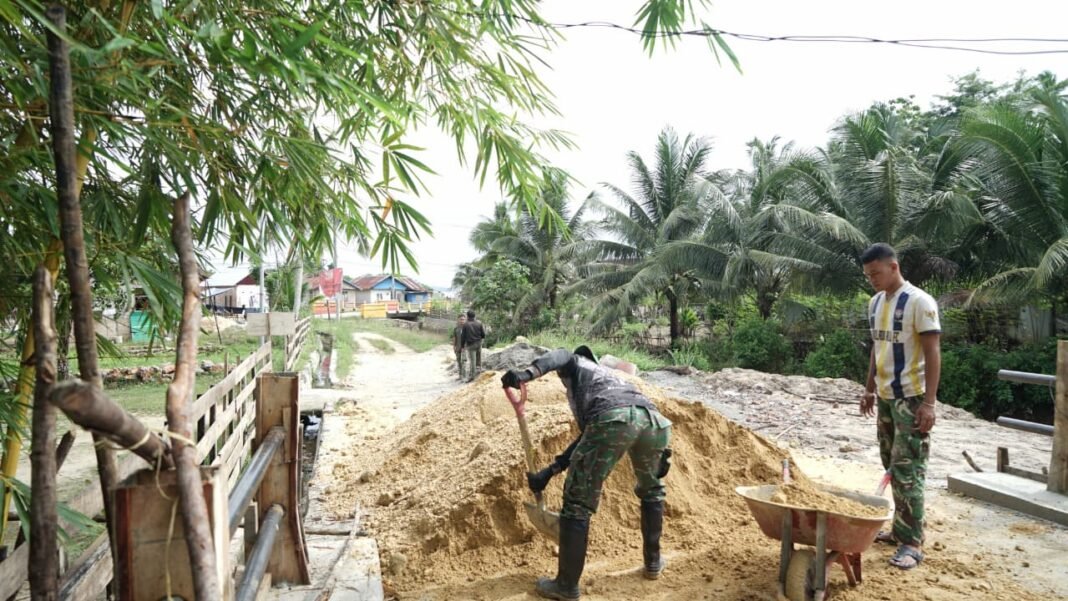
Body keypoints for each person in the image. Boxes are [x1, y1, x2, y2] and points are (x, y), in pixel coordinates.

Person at [502, 346, 673, 600]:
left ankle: (566, 585)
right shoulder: (607, 378)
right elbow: (590, 438)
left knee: (577, 502)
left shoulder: (576, 365)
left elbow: (561, 354)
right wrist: (551, 471)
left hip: (614, 419)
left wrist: (528, 374)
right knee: (651, 489)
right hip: (653, 421)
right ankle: (653, 563)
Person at [859, 243, 941, 571]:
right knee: (891, 466)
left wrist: (929, 404)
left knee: (909, 470)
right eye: (868, 276)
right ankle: (899, 530)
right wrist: (868, 390)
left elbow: (933, 352)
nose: (872, 280)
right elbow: (876, 349)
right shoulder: (875, 303)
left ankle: (912, 543)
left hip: (912, 399)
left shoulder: (920, 302)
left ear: (894, 267)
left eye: (876, 273)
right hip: (885, 399)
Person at [460, 310, 486, 382]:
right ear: (474, 316)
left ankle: (473, 377)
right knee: (479, 358)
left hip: (471, 345)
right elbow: (483, 335)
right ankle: (479, 373)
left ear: (467, 316)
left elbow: (463, 337)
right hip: (479, 343)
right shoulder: (479, 323)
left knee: (473, 361)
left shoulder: (466, 325)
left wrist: (462, 346)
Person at [450, 313, 467, 381]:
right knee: (459, 362)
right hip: (458, 347)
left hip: (465, 348)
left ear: (465, 320)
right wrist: (454, 346)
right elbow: (454, 338)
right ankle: (460, 376)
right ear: (458, 320)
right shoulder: (456, 329)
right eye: (461, 319)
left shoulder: (467, 328)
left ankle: (464, 376)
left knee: (463, 362)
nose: (462, 321)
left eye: (463, 319)